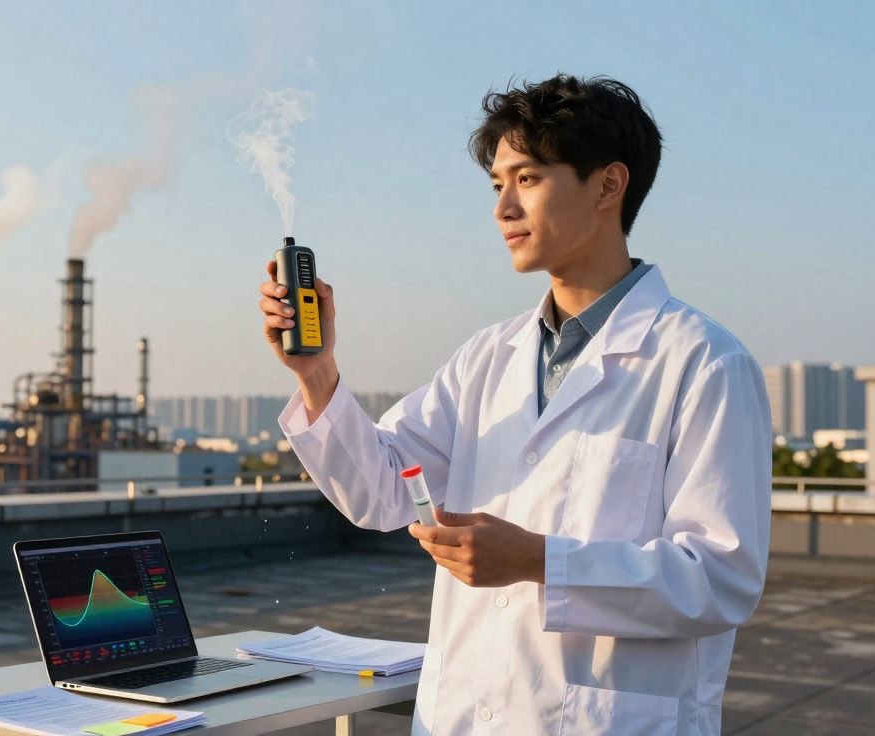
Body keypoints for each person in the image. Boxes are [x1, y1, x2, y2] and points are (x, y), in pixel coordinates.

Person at [256, 74, 771, 735]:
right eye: (496, 184)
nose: (501, 208)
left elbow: (722, 579)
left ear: (609, 186)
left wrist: (538, 561)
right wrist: (318, 373)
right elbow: (386, 492)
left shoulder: (703, 362)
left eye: (526, 178)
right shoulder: (486, 358)